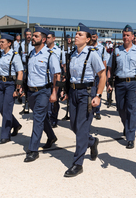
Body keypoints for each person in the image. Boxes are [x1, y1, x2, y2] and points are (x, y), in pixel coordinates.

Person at [61, 23, 106, 177]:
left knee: (81, 128)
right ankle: (92, 142)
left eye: (80, 34)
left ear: (87, 39)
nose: (76, 36)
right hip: (73, 91)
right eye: (76, 34)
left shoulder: (92, 54)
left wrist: (98, 96)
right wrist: (66, 91)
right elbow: (69, 76)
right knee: (74, 125)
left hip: (87, 93)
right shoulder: (72, 54)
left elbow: (102, 75)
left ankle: (77, 163)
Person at [23, 25, 61, 162]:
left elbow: (57, 74)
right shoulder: (31, 54)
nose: (32, 38)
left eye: (36, 36)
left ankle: (33, 149)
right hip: (31, 92)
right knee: (42, 117)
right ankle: (51, 136)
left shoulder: (50, 55)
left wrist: (54, 93)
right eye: (32, 36)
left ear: (44, 39)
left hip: (43, 91)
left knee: (37, 118)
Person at [107, 25, 136, 149]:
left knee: (132, 109)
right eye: (124, 35)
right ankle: (127, 126)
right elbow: (110, 68)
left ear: (133, 37)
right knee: (121, 108)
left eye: (128, 35)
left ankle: (130, 137)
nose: (126, 37)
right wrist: (109, 83)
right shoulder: (116, 51)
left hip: (133, 84)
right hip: (119, 83)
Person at [0, 33, 23, 144]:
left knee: (7, 110)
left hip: (10, 85)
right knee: (1, 108)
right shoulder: (0, 54)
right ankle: (16, 125)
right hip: (0, 83)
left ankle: (5, 135)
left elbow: (20, 72)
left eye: (3, 42)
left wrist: (17, 89)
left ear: (9, 43)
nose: (0, 44)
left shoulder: (15, 56)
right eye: (0, 42)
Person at [91, 29, 109, 120]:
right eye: (91, 37)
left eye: (94, 37)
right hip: (90, 74)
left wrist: (103, 75)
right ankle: (91, 109)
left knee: (98, 92)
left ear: (97, 37)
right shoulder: (87, 47)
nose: (92, 39)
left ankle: (97, 111)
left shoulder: (102, 48)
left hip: (99, 74)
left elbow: (104, 61)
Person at [46, 30, 62, 128]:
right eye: (46, 38)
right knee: (47, 101)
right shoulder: (43, 50)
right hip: (46, 80)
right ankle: (48, 118)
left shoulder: (59, 50)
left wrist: (63, 79)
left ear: (53, 39)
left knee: (55, 101)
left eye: (49, 38)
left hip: (56, 79)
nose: (47, 40)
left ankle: (54, 119)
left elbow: (63, 65)